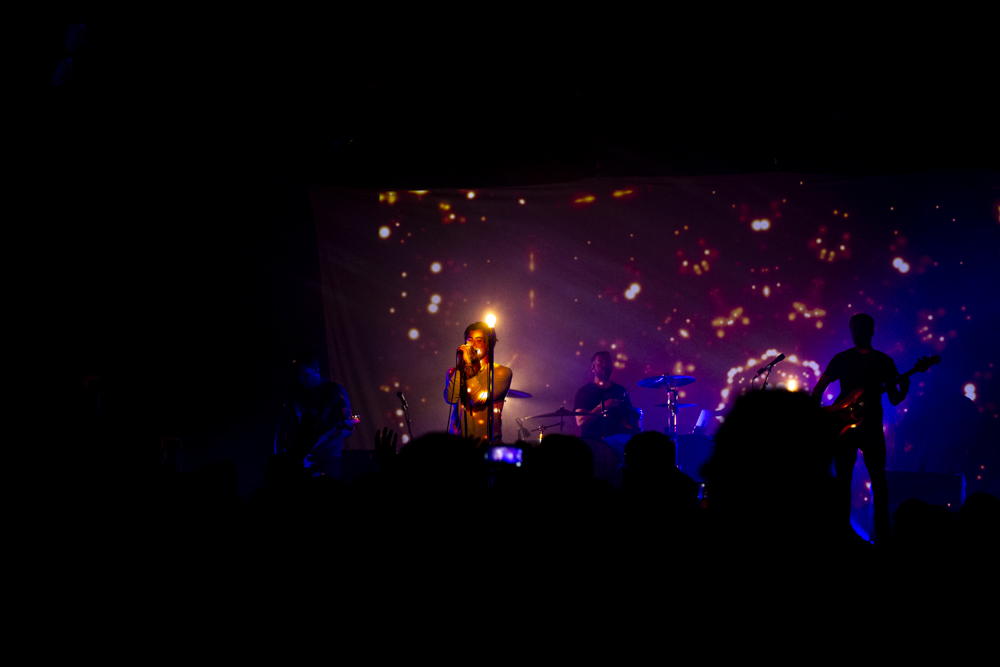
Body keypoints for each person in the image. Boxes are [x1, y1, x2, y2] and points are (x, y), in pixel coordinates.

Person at [811, 313, 909, 543]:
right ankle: (843, 533)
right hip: (845, 427)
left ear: (872, 331)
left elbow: (894, 399)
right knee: (844, 482)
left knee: (878, 482)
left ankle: (883, 537)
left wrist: (903, 388)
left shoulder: (884, 361)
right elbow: (818, 389)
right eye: (854, 329)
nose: (858, 333)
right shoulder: (842, 358)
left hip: (872, 427)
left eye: (862, 329)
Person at [276, 354, 355, 478]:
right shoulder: (294, 393)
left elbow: (348, 431)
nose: (301, 379)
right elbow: (283, 427)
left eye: (306, 375)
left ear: (317, 370)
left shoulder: (335, 391)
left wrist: (345, 428)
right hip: (300, 453)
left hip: (328, 455)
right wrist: (281, 453)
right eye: (298, 375)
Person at [444, 322, 512, 444]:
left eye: (478, 340)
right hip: (457, 445)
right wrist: (461, 365)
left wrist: (469, 365)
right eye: (469, 340)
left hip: (486, 446)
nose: (472, 345)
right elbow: (451, 398)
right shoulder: (454, 371)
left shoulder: (502, 372)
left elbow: (477, 399)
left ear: (489, 345)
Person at [574, 351, 633, 441]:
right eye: (600, 362)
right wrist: (602, 407)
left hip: (617, 444)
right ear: (592, 368)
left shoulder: (620, 390)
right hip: (592, 443)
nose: (604, 365)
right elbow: (581, 421)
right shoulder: (584, 391)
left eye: (607, 362)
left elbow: (629, 418)